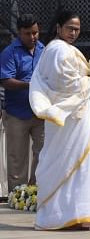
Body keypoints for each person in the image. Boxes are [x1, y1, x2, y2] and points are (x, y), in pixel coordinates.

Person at [29, 11, 90, 230]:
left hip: (76, 116)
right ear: (58, 27)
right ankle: (62, 215)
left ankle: (82, 213)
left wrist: (89, 82)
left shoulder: (59, 49)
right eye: (70, 28)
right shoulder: (57, 50)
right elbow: (65, 83)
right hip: (67, 117)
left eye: (77, 29)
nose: (73, 32)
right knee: (65, 163)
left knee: (82, 164)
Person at [0, 14, 45, 192]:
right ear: (19, 33)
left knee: (44, 154)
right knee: (17, 158)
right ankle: (17, 196)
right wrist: (31, 85)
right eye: (27, 33)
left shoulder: (44, 50)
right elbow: (6, 80)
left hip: (41, 112)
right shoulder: (9, 52)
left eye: (35, 33)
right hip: (16, 113)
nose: (32, 37)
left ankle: (36, 193)